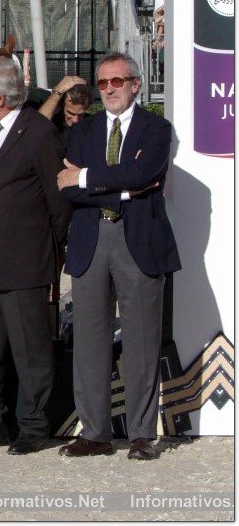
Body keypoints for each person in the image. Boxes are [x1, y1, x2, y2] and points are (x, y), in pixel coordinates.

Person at [57, 52, 180, 461]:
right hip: (91, 239)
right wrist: (125, 188)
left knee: (142, 341)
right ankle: (95, 433)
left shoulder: (157, 129)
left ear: (135, 85)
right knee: (89, 341)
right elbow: (66, 186)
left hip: (139, 241)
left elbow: (146, 175)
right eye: (103, 83)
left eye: (117, 81)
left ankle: (143, 434)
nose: (109, 89)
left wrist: (90, 177)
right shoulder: (84, 130)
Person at [0, 57, 71, 455]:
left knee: (30, 348)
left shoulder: (38, 133)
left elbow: (59, 201)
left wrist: (47, 251)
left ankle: (34, 425)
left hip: (25, 259)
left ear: (3, 97)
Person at [37, 74, 94, 147]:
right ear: (62, 105)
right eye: (70, 113)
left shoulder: (91, 127)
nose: (75, 120)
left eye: (81, 115)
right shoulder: (53, 121)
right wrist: (58, 91)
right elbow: (37, 127)